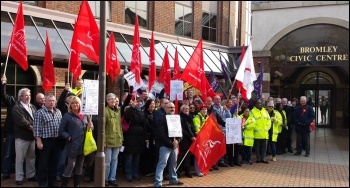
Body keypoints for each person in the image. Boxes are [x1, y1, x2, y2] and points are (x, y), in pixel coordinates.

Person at [59, 96, 93, 187]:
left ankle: (77, 184)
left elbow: (90, 128)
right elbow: (61, 130)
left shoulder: (86, 115)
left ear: (80, 104)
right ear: (70, 105)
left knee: (80, 165)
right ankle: (64, 184)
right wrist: (68, 137)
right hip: (72, 144)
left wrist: (91, 126)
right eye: (73, 103)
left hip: (83, 144)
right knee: (71, 165)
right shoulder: (67, 115)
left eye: (77, 103)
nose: (75, 105)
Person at [33, 94, 62, 187]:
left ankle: (52, 182)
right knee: (43, 163)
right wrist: (39, 141)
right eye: (49, 101)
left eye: (53, 100)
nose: (52, 102)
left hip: (56, 141)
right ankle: (42, 182)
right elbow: (36, 128)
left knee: (54, 162)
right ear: (44, 101)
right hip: (45, 141)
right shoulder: (40, 113)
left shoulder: (58, 112)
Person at [154, 102, 184, 187]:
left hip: (175, 145)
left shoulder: (177, 118)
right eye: (170, 107)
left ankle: (173, 180)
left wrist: (177, 141)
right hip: (165, 145)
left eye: (173, 107)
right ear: (165, 108)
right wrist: (170, 143)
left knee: (173, 164)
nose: (172, 109)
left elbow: (180, 132)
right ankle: (158, 183)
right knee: (162, 164)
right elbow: (161, 134)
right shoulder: (161, 119)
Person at [12, 88, 37, 185]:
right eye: (26, 95)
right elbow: (22, 122)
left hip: (32, 137)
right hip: (22, 137)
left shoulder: (32, 107)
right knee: (20, 158)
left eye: (29, 95)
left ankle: (30, 175)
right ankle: (19, 177)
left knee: (31, 157)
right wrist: (34, 128)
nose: (28, 97)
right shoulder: (17, 108)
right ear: (21, 96)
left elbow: (37, 118)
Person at [122, 97, 149, 182]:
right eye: (137, 102)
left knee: (137, 158)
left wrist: (146, 138)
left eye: (140, 102)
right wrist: (132, 107)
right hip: (130, 137)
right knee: (129, 157)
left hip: (139, 138)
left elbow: (144, 126)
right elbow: (127, 117)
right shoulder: (130, 110)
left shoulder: (141, 112)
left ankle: (135, 173)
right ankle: (128, 174)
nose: (139, 103)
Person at [104, 93, 123, 186]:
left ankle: (112, 178)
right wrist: (103, 141)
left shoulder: (118, 111)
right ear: (107, 101)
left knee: (115, 160)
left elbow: (119, 126)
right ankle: (105, 178)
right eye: (110, 99)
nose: (113, 101)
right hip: (108, 141)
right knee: (107, 161)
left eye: (114, 99)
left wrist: (121, 138)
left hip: (117, 140)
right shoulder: (105, 111)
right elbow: (102, 127)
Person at [1, 75, 16, 180]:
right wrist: (3, 83)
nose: (27, 96)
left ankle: (21, 172)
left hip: (23, 133)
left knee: (21, 155)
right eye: (24, 94)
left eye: (28, 94)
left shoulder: (30, 106)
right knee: (8, 153)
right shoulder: (12, 100)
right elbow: (3, 95)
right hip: (11, 132)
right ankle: (6, 172)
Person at [178, 104, 196, 178]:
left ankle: (187, 171)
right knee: (181, 155)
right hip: (184, 139)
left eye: (187, 109)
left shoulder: (190, 117)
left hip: (190, 139)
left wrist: (194, 133)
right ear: (182, 110)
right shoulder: (180, 117)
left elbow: (192, 126)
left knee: (188, 155)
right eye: (185, 109)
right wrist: (191, 136)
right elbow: (182, 129)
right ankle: (177, 171)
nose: (187, 110)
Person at [250, 100, 271, 164]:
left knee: (264, 147)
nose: (259, 104)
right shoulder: (252, 112)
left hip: (265, 133)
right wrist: (256, 128)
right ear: (255, 104)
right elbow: (252, 121)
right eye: (257, 103)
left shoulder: (265, 111)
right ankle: (258, 158)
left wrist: (267, 128)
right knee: (257, 147)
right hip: (257, 133)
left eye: (260, 103)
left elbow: (269, 120)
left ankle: (263, 158)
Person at [141, 99, 157, 177]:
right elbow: (146, 125)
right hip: (148, 136)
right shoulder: (144, 114)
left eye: (153, 104)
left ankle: (152, 169)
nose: (152, 105)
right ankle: (146, 170)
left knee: (153, 154)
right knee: (147, 154)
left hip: (155, 137)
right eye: (151, 104)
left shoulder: (155, 113)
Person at [193, 104, 209, 176]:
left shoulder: (208, 117)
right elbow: (197, 129)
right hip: (200, 138)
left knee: (204, 154)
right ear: (200, 110)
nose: (204, 110)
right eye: (203, 109)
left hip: (206, 139)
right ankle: (197, 170)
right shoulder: (197, 117)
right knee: (198, 155)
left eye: (205, 109)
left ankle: (203, 168)